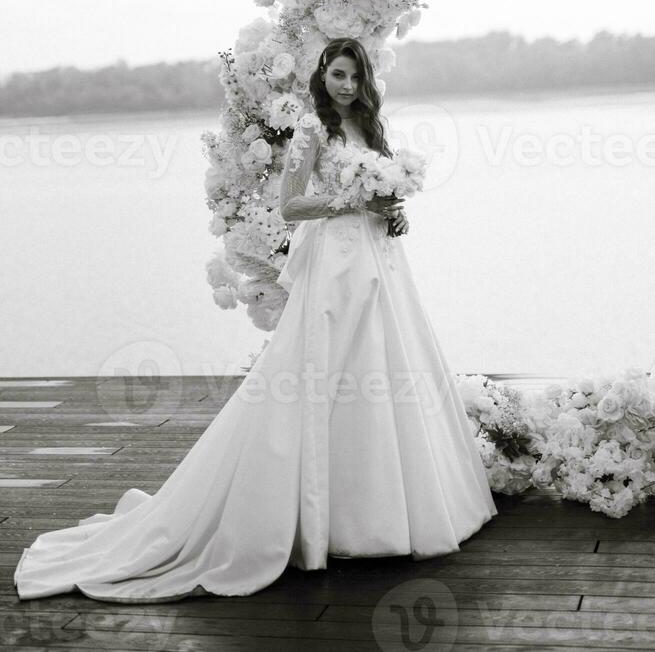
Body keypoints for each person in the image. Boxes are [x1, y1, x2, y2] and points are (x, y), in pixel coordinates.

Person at [13, 37, 498, 603]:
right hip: (335, 267)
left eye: (354, 77)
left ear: (366, 83)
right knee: (326, 376)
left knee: (387, 367)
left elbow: (377, 197)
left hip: (379, 261)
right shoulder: (312, 132)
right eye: (338, 75)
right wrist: (352, 203)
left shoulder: (372, 130)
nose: (346, 85)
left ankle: (392, 509)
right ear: (322, 76)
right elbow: (291, 205)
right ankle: (322, 518)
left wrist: (393, 213)